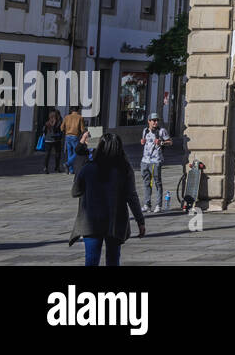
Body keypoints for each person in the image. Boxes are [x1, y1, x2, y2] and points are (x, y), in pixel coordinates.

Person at [69, 133, 145, 266]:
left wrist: (82, 160)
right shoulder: (124, 169)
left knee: (91, 260)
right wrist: (140, 221)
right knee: (113, 260)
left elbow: (75, 192)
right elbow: (132, 196)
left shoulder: (88, 168)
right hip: (115, 220)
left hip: (91, 221)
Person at [139, 112, 171, 212]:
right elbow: (144, 142)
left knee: (157, 183)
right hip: (145, 161)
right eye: (153, 120)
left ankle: (158, 205)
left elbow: (170, 142)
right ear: (149, 121)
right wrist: (142, 142)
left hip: (156, 160)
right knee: (146, 183)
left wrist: (161, 142)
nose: (156, 122)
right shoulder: (145, 131)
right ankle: (147, 204)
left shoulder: (162, 131)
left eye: (157, 120)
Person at [61, 107, 85, 175]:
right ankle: (67, 164)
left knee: (69, 153)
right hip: (75, 136)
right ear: (78, 110)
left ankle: (71, 170)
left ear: (71, 110)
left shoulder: (66, 117)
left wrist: (66, 130)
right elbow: (82, 129)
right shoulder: (80, 117)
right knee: (77, 152)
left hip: (67, 136)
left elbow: (61, 128)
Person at [41, 110, 64, 174]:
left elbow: (44, 131)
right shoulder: (59, 122)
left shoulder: (47, 123)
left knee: (47, 154)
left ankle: (45, 167)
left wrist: (46, 136)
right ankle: (57, 167)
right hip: (57, 139)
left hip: (48, 139)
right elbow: (62, 130)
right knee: (57, 153)